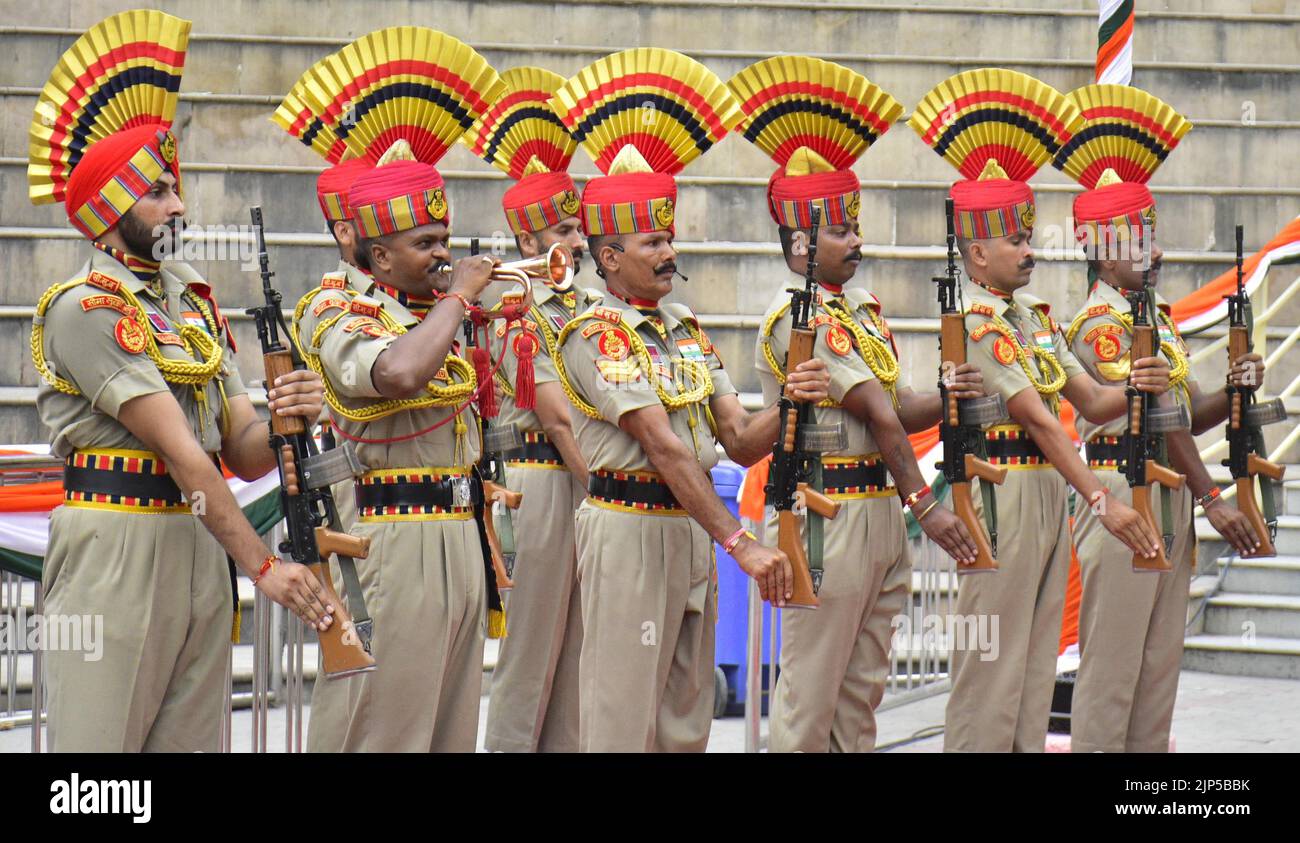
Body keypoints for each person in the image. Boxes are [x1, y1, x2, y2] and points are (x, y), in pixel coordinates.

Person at [27, 10, 332, 752]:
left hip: (197, 543)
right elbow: (184, 454)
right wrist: (262, 565)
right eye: (158, 192)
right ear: (106, 213)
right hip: (118, 547)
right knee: (98, 771)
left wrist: (289, 414)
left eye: (176, 188)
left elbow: (244, 451)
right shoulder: (85, 308)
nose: (180, 207)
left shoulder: (190, 300)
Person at [550, 48, 831, 751]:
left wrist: (790, 404)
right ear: (609, 257)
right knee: (620, 719)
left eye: (670, 235)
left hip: (689, 530)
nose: (670, 250)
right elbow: (665, 445)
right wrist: (740, 542)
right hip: (628, 528)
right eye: (653, 240)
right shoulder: (596, 331)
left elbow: (736, 437)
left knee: (685, 721)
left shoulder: (685, 330)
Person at [909, 69, 1171, 752]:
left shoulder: (1036, 318)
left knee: (1029, 673)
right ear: (976, 252)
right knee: (989, 677)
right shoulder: (981, 323)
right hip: (1002, 494)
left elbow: (1091, 401)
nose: (1030, 249)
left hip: (1045, 491)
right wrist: (1100, 498)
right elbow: (1038, 416)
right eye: (1015, 240)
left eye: (1029, 235)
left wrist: (1147, 381)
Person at [730, 56, 983, 752]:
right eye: (842, 229)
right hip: (829, 514)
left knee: (860, 694)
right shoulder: (798, 312)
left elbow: (900, 405)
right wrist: (924, 504)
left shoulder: (862, 310)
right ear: (804, 241)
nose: (858, 239)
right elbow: (873, 408)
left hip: (873, 511)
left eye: (856, 224)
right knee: (811, 695)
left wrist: (948, 393)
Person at [290, 27, 507, 752]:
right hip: (387, 540)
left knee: (447, 733)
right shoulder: (335, 307)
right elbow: (398, 374)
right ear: (380, 254)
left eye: (445, 239)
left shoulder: (435, 316)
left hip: (456, 535)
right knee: (382, 730)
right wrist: (459, 300)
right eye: (426, 244)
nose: (444, 255)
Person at [1055, 85, 1263, 752]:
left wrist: (1235, 390)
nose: (1155, 250)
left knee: (1156, 679)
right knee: (1113, 675)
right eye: (1138, 238)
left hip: (1168, 495)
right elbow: (1161, 415)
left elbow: (1187, 416)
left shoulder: (1157, 322)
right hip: (1127, 494)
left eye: (1151, 235)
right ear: (1104, 248)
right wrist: (1212, 494)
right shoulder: (1099, 324)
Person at [466, 67, 603, 753]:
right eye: (561, 229)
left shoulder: (587, 303)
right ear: (527, 241)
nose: (577, 242)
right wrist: (604, 488)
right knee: (531, 662)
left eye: (578, 228)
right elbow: (554, 414)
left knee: (577, 658)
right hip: (544, 483)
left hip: (580, 478)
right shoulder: (510, 300)